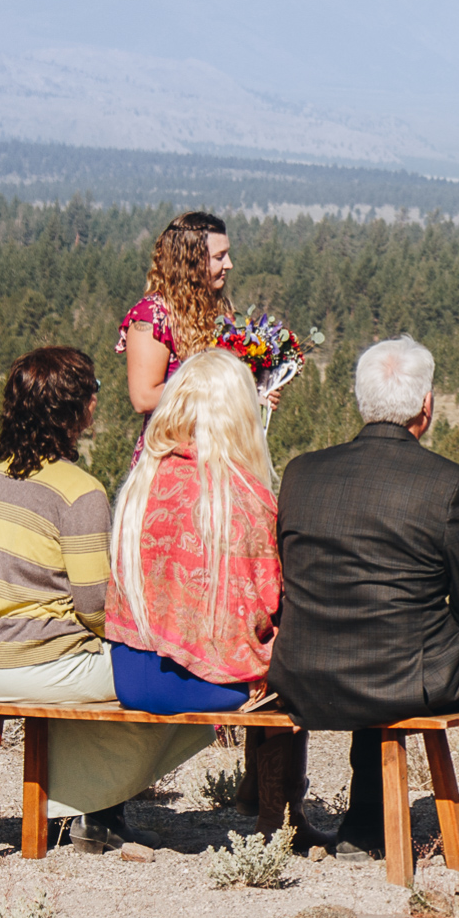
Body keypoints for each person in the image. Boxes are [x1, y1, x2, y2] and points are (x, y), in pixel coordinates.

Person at [271, 337, 459, 858]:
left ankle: (363, 825)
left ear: (362, 402)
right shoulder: (446, 484)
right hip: (402, 677)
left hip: (303, 677)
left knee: (376, 639)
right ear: (426, 407)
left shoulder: (301, 473)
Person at [0, 347, 210, 854]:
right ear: (77, 409)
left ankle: (87, 813)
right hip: (29, 664)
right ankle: (94, 811)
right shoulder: (80, 491)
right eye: (93, 391)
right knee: (169, 678)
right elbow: (94, 609)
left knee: (99, 663)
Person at [105, 349, 328, 848]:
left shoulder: (141, 484)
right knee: (286, 661)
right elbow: (269, 600)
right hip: (204, 688)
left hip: (132, 676)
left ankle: (254, 791)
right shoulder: (243, 494)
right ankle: (279, 818)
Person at [117, 211, 274, 461]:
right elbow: (143, 397)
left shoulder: (222, 313)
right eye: (219, 257)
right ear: (192, 262)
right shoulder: (152, 316)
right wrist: (221, 388)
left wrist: (258, 388)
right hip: (171, 458)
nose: (229, 264)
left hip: (225, 453)